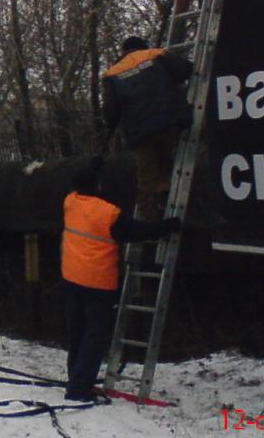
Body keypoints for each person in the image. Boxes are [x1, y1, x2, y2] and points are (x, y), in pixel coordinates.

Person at [61, 158, 180, 402]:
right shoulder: (108, 213)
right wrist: (167, 226)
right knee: (95, 337)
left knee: (78, 333)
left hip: (72, 279)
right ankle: (79, 389)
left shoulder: (70, 202)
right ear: (98, 186)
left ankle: (76, 378)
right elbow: (136, 231)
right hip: (97, 283)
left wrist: (93, 168)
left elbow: (81, 186)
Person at [102, 36, 193, 219]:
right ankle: (165, 191)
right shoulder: (156, 54)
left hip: (140, 133)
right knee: (168, 161)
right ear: (143, 46)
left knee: (145, 177)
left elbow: (110, 112)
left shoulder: (112, 74)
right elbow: (186, 69)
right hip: (169, 122)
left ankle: (148, 220)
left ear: (123, 50)